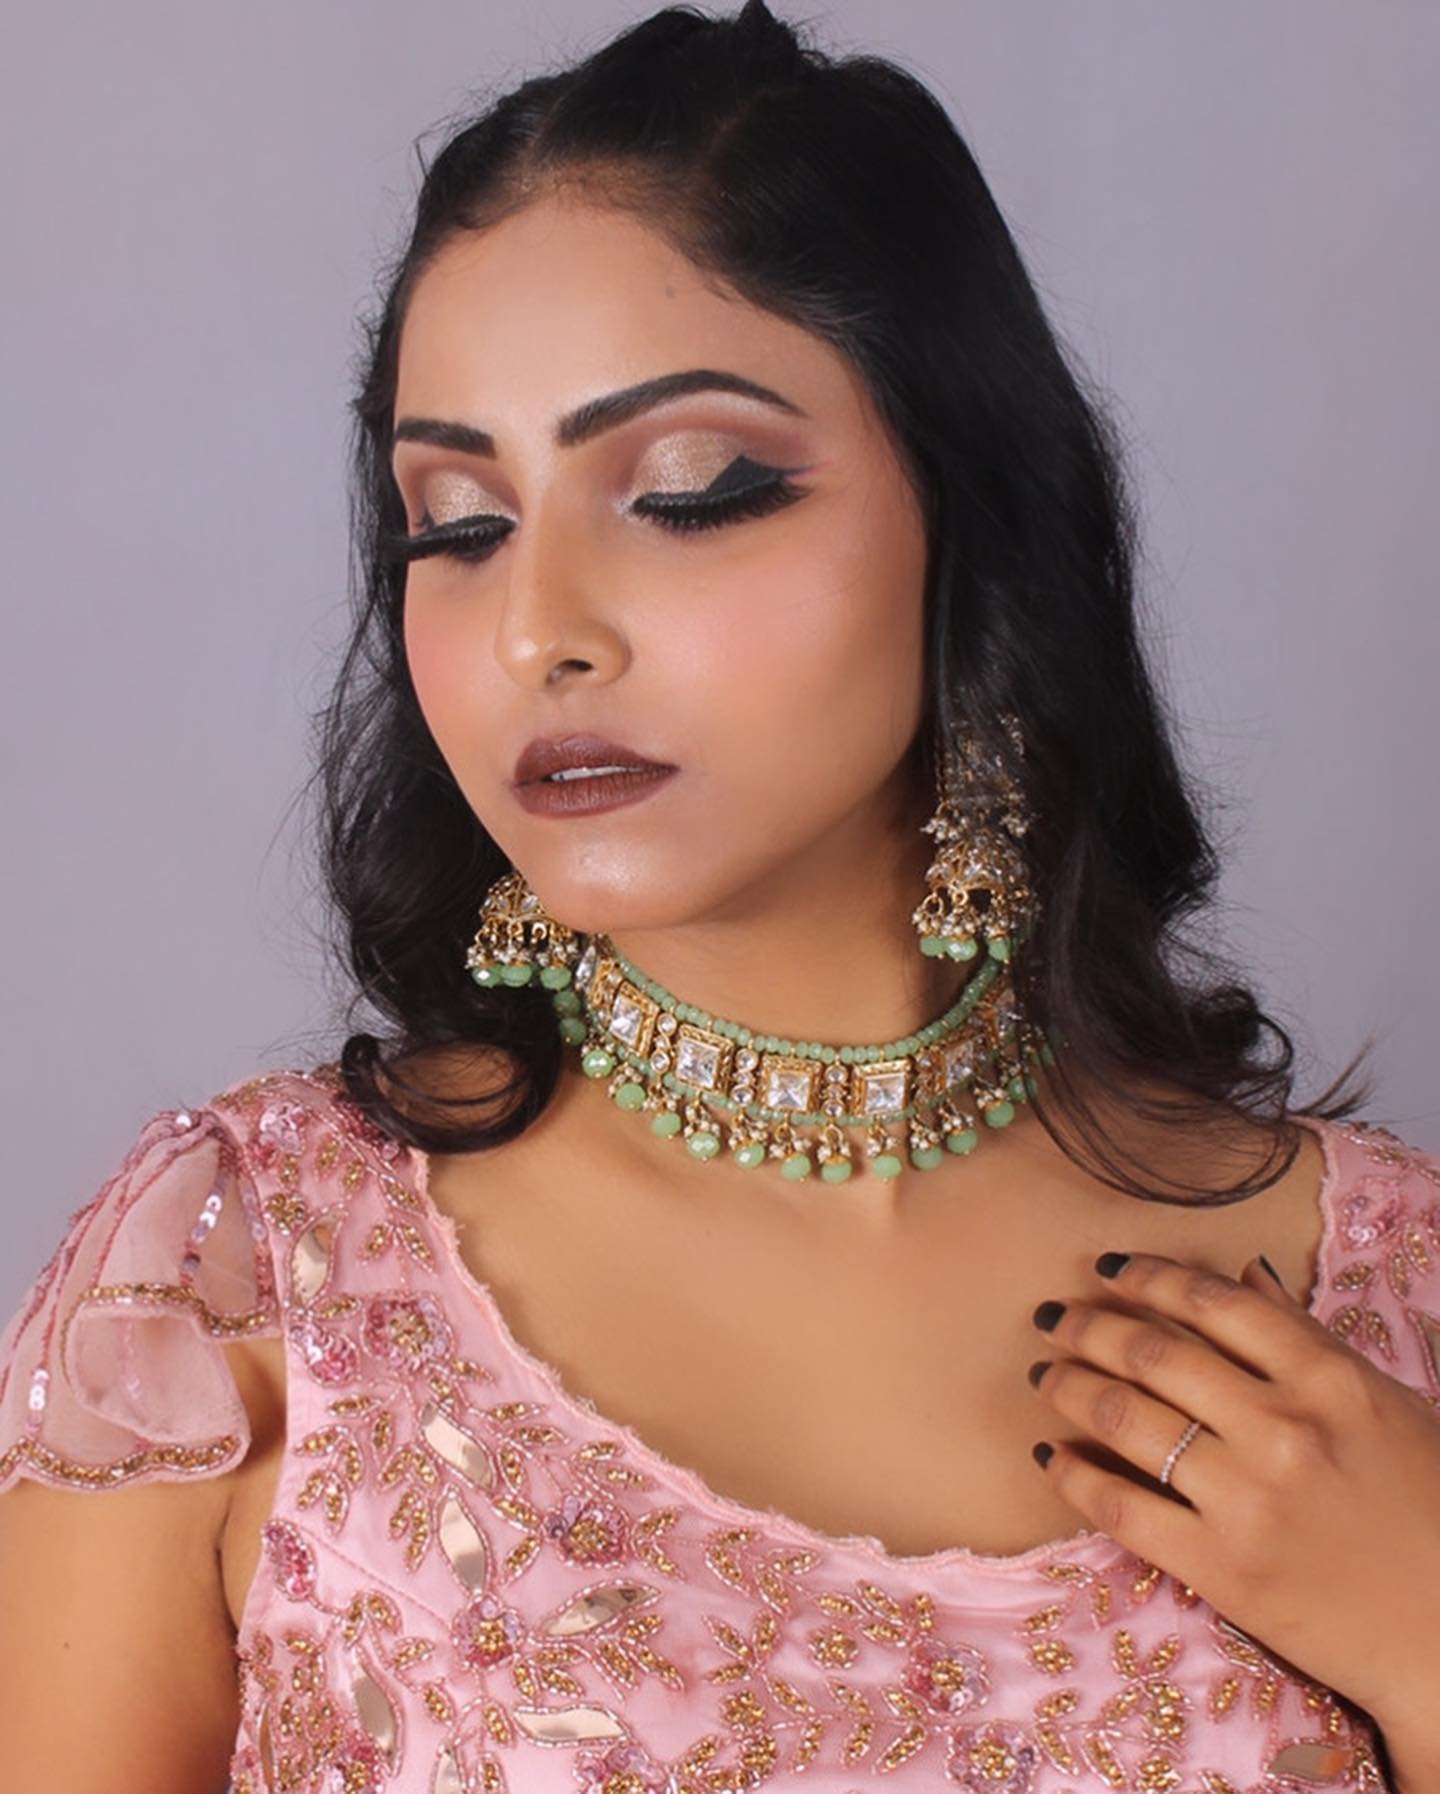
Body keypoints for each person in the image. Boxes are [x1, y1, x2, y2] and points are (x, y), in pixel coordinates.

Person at [2, 4, 1438, 1790]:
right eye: (457, 524)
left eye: (692, 492)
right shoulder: (247, 1287)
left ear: (976, 528)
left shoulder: (1376, 1288)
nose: (538, 630)